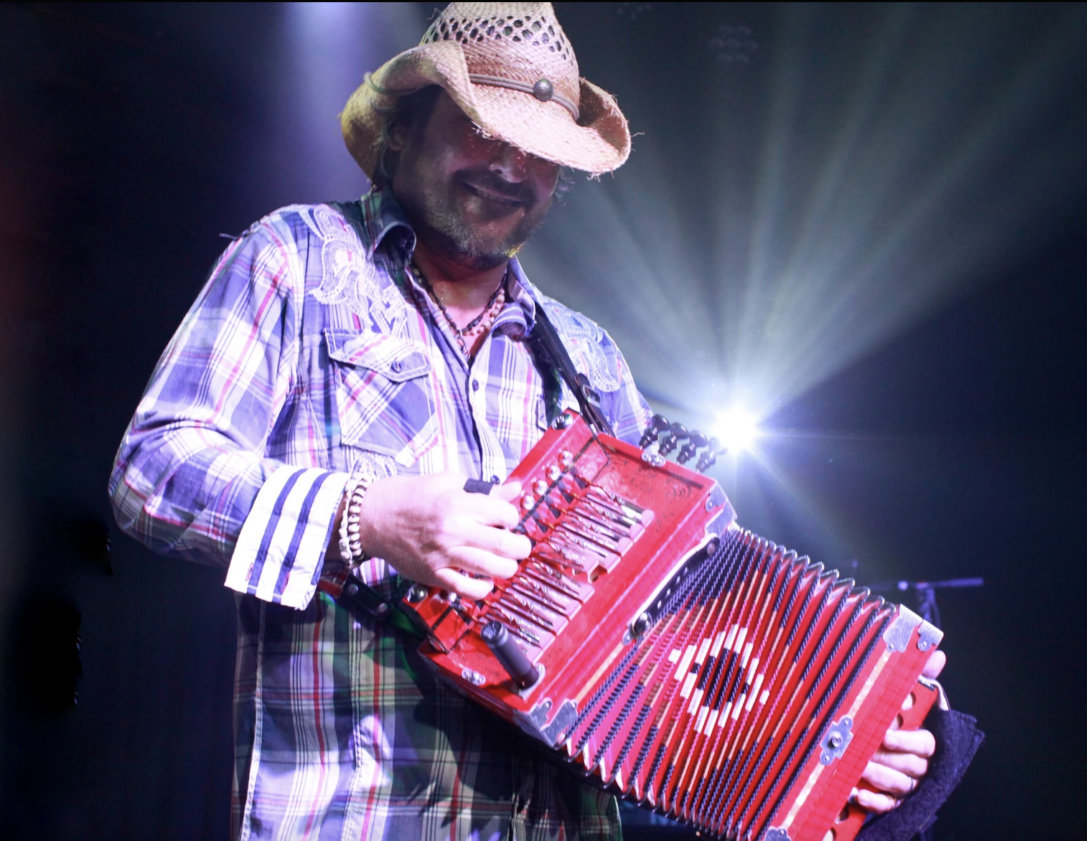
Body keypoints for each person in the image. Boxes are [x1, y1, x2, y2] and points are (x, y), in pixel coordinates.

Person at [110, 4, 944, 839]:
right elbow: (153, 471)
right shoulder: (297, 257)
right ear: (402, 130)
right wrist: (363, 517)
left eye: (540, 149)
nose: (510, 163)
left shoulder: (590, 359)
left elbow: (695, 633)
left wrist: (837, 740)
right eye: (480, 127)